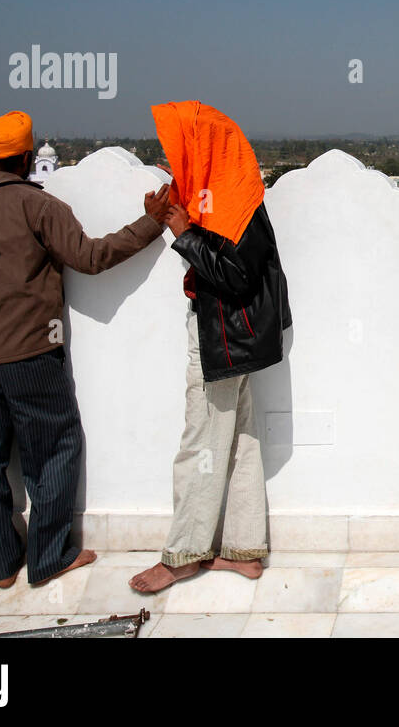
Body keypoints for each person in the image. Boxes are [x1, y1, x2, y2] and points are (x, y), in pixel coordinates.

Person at [0, 110, 168, 587]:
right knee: (53, 448)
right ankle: (50, 556)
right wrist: (150, 223)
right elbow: (90, 258)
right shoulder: (38, 207)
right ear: (29, 158)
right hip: (31, 351)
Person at [130, 102, 291, 594]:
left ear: (202, 148)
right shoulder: (227, 193)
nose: (168, 155)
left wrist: (182, 237)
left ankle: (182, 555)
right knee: (241, 441)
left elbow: (234, 276)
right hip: (237, 339)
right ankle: (243, 550)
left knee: (200, 443)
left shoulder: (230, 202)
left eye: (177, 146)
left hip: (221, 341)